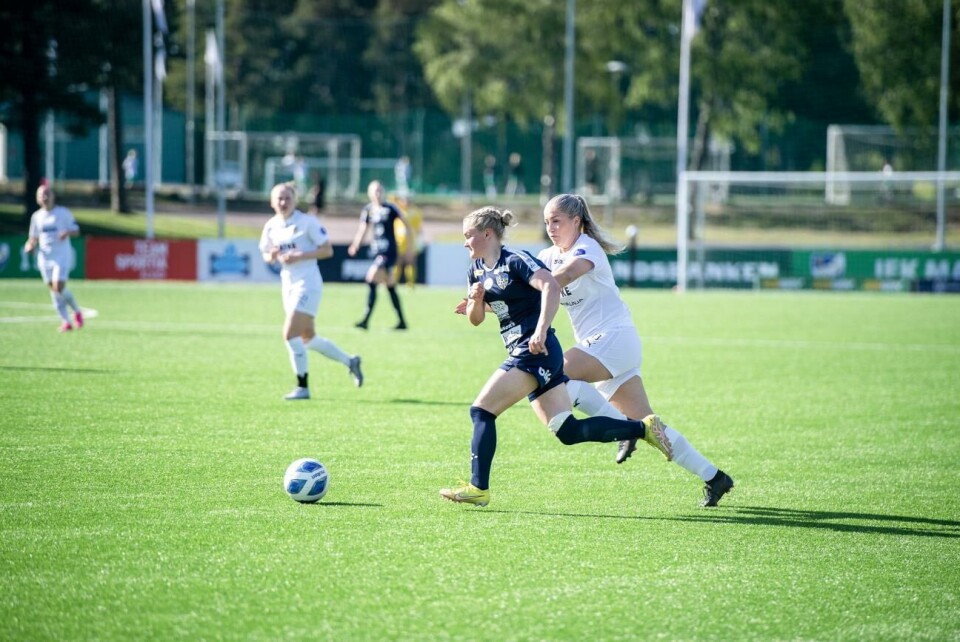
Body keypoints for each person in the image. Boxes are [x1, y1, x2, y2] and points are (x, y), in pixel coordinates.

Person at [439, 206, 673, 507]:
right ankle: (642, 428)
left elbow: (549, 284)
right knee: (567, 430)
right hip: (525, 350)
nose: (464, 242)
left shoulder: (516, 259)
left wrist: (540, 330)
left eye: (468, 236)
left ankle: (478, 487)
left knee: (482, 410)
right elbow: (476, 319)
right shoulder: (476, 271)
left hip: (534, 351)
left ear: (486, 234)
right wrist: (476, 302)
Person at [537, 193, 734, 507]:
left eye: (556, 220)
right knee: (650, 426)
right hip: (604, 349)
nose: (550, 227)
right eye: (547, 221)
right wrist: (487, 301)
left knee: (552, 373)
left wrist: (543, 283)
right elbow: (527, 288)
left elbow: (565, 276)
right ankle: (715, 477)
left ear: (577, 221)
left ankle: (624, 430)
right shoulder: (547, 256)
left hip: (613, 339)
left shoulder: (587, 247)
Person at [259, 182, 364, 401]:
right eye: (279, 198)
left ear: (295, 200)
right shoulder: (271, 226)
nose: (283, 202)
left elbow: (327, 250)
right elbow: (266, 255)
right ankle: (350, 361)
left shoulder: (307, 223)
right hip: (287, 284)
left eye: (287, 198)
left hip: (308, 284)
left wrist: (301, 255)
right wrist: (273, 255)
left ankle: (302, 386)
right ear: (271, 202)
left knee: (289, 334)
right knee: (308, 339)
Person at [347, 180, 413, 330]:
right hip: (377, 250)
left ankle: (365, 320)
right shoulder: (368, 209)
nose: (377, 194)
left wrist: (409, 246)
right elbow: (363, 229)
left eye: (379, 190)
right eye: (374, 191)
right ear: (370, 193)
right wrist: (355, 245)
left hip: (389, 251)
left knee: (371, 279)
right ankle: (402, 322)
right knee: (390, 286)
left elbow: (406, 224)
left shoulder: (390, 208)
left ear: (383, 192)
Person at [25, 185, 84, 333]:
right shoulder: (36, 217)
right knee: (54, 290)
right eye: (41, 195)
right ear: (37, 198)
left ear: (53, 196)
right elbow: (33, 238)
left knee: (59, 286)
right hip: (45, 258)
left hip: (61, 256)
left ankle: (76, 311)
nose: (44, 197)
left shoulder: (63, 213)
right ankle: (65, 321)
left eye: (47, 194)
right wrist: (29, 246)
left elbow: (77, 230)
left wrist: (67, 232)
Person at [391, 192, 424, 289]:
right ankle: (393, 283)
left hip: (411, 241)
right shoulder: (397, 210)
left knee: (411, 262)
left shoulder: (416, 212)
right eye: (404, 199)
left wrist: (419, 240)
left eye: (408, 199)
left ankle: (411, 284)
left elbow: (418, 229)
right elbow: (390, 198)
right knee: (397, 262)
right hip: (398, 241)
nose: (406, 201)